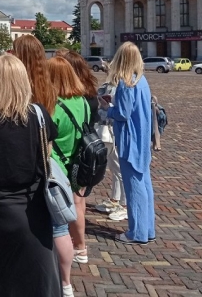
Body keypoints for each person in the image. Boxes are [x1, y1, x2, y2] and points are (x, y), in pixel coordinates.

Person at [0, 54, 61, 297]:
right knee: (35, 271)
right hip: (35, 203)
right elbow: (46, 154)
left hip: (1, 208)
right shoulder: (39, 115)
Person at [102, 42, 156, 244]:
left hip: (129, 140)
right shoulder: (141, 80)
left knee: (134, 187)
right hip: (142, 139)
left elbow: (122, 114)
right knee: (144, 184)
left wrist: (107, 108)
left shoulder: (126, 83)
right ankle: (148, 229)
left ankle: (137, 232)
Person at [46, 56, 90, 296]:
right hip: (78, 163)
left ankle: (62, 278)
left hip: (58, 169)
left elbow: (48, 140)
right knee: (78, 205)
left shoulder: (55, 106)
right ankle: (81, 247)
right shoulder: (82, 101)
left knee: (58, 224)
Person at [56, 50, 103, 260]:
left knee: (74, 203)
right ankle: (78, 244)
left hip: (70, 157)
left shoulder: (71, 99)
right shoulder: (88, 95)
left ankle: (80, 246)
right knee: (80, 201)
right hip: (83, 153)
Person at [94, 82, 127, 221]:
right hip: (107, 129)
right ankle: (115, 199)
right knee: (114, 167)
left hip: (113, 130)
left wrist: (105, 107)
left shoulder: (123, 86)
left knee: (120, 168)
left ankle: (125, 205)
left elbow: (120, 111)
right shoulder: (109, 84)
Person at [12, 35, 57, 122]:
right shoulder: (50, 86)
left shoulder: (18, 87)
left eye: (14, 52)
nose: (12, 55)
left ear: (21, 56)